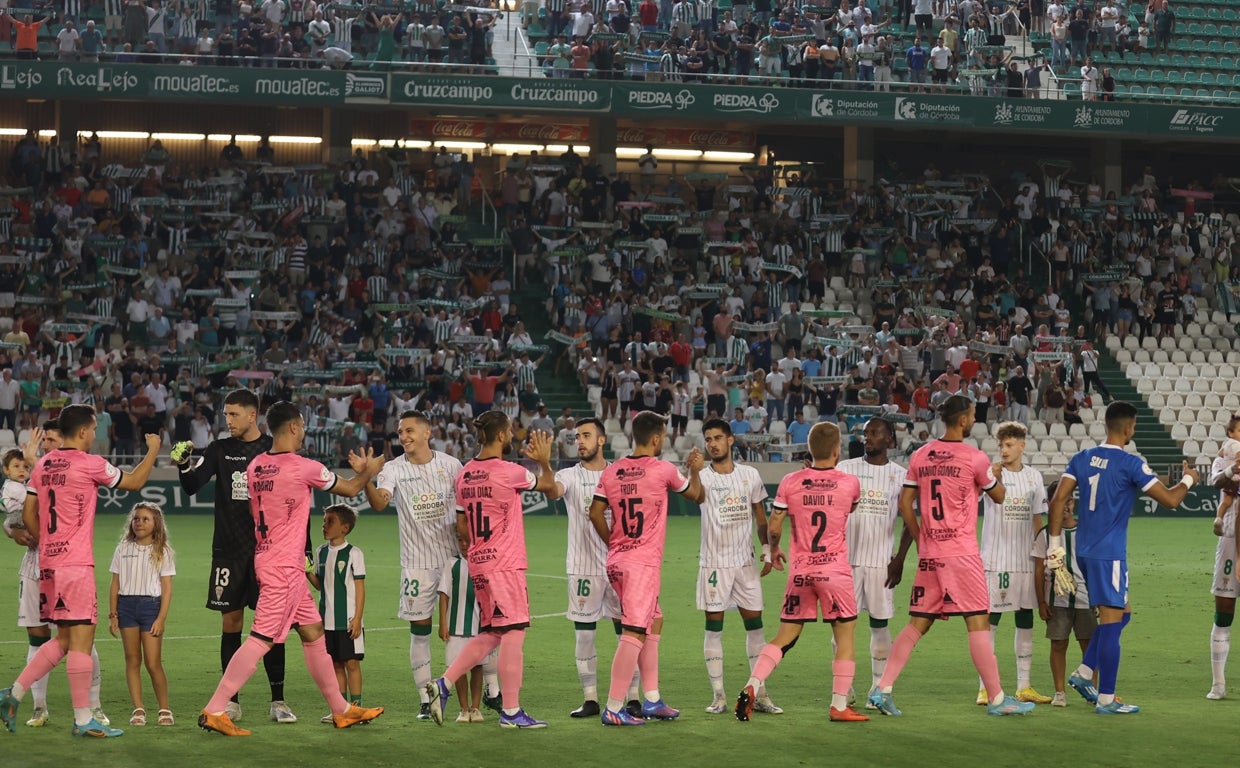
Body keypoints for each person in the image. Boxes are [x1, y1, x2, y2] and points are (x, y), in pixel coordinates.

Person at [197, 401, 385, 737]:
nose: (303, 433)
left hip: (273, 559)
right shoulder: (303, 467)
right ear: (295, 428)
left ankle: (341, 709)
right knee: (260, 640)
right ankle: (215, 707)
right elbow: (352, 489)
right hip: (284, 567)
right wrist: (370, 470)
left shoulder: (256, 466)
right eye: (302, 427)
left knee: (313, 635)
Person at [867, 395, 1035, 717]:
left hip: (931, 555)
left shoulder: (921, 455)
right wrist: (995, 475)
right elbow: (999, 497)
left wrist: (922, 540)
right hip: (961, 554)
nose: (974, 419)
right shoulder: (974, 458)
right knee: (978, 623)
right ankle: (998, 699)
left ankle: (883, 688)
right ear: (962, 420)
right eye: (972, 415)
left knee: (917, 624)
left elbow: (905, 505)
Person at [0, 404, 161, 738]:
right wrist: (153, 451)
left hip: (48, 563)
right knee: (81, 640)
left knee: (62, 639)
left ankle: (13, 695)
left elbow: (30, 512)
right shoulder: (90, 463)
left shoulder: (43, 464)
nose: (94, 435)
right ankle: (83, 717)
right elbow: (133, 482)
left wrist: (46, 542)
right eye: (93, 430)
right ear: (86, 431)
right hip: (75, 565)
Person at [1045, 400, 1201, 714]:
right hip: (1109, 556)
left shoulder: (1082, 457)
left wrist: (1053, 544)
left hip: (1086, 553)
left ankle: (1085, 671)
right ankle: (1106, 698)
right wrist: (1189, 480)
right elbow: (1170, 500)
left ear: (1107, 424)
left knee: (1123, 613)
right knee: (1114, 623)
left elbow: (1058, 499)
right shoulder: (1131, 464)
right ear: (1129, 428)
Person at [172, 389, 297, 725]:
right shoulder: (220, 449)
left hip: (267, 552)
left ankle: (278, 700)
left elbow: (292, 502)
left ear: (252, 415)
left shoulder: (272, 449)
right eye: (226, 415)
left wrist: (306, 550)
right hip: (228, 551)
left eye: (234, 415)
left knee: (271, 629)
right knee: (231, 624)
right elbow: (192, 485)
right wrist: (184, 464)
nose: (228, 421)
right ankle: (231, 702)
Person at [425, 412, 557, 729]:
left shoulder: (466, 475)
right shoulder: (509, 472)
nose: (511, 435)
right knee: (513, 632)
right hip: (505, 564)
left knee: (493, 633)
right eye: (509, 430)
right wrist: (545, 461)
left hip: (479, 562)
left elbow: (461, 524)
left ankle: (443, 684)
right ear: (500, 435)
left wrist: (478, 551)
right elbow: (551, 488)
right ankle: (511, 712)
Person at [735, 421, 869, 723]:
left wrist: (775, 547)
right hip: (834, 571)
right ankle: (838, 706)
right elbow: (850, 510)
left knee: (785, 636)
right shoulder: (850, 483)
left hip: (801, 572)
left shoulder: (791, 482)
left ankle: (752, 685)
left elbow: (774, 524)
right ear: (837, 451)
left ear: (809, 450)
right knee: (845, 636)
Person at [588, 410, 705, 726]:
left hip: (618, 561)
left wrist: (614, 543)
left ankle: (651, 699)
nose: (663, 441)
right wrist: (695, 471)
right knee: (634, 631)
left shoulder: (612, 472)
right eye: (664, 437)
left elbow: (595, 512)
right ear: (656, 439)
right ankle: (614, 707)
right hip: (641, 564)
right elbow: (697, 496)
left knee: (654, 620)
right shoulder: (663, 469)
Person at [363, 410, 468, 721]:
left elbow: (466, 509)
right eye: (400, 432)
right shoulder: (393, 469)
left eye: (409, 431)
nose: (404, 437)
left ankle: (484, 690)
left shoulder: (452, 466)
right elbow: (381, 502)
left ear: (427, 432)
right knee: (420, 633)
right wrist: (367, 477)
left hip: (454, 561)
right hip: (417, 565)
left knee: (462, 632)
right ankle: (426, 698)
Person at [545, 417, 640, 718]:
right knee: (584, 635)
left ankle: (634, 697)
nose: (580, 441)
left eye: (586, 435)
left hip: (619, 567)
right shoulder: (569, 475)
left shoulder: (620, 474)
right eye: (576, 437)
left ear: (601, 440)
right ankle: (590, 699)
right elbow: (553, 491)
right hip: (583, 567)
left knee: (627, 634)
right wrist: (544, 464)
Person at [697, 419, 780, 715]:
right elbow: (693, 495)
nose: (713, 443)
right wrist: (692, 473)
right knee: (714, 629)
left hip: (745, 563)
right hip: (714, 565)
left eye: (718, 437)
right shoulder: (702, 478)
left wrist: (768, 549)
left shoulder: (750, 475)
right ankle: (718, 695)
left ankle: (759, 693)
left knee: (756, 628)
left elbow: (761, 518)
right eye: (708, 439)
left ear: (731, 440)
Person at [837, 418, 912, 706]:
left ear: (890, 440)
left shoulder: (901, 476)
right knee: (841, 628)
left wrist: (901, 559)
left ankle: (877, 689)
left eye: (875, 433)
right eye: (866, 433)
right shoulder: (846, 469)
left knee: (879, 626)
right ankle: (844, 687)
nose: (868, 438)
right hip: (845, 562)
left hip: (882, 562)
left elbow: (908, 522)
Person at [976, 422, 1052, 705]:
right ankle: (985, 687)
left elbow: (1037, 517)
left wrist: (1044, 552)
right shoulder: (991, 475)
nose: (1004, 450)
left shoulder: (1034, 477)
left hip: (1024, 560)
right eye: (1001, 446)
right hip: (996, 560)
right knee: (989, 622)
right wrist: (991, 478)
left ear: (1022, 445)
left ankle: (1024, 686)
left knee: (1025, 618)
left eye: (1009, 445)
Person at [107, 502, 176, 727]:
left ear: (156, 523)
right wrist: (113, 614)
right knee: (132, 660)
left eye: (146, 519)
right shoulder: (122, 548)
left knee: (153, 662)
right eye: (136, 519)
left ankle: (164, 709)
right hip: (126, 608)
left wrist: (161, 618)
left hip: (150, 608)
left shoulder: (162, 551)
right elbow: (115, 583)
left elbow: (166, 589)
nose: (140, 523)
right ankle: (139, 709)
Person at [1032, 480, 1095, 707]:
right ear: (1050, 503)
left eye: (1068, 500)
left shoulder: (1085, 530)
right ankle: (1060, 692)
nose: (1065, 506)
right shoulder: (1045, 534)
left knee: (1089, 645)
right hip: (1056, 600)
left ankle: (1093, 690)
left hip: (1086, 598)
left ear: (1073, 501)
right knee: (1058, 644)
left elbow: (1093, 565)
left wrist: (1097, 596)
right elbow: (1039, 570)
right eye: (1060, 500)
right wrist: (1040, 601)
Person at [306, 504, 367, 722]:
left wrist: (358, 618)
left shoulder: (354, 554)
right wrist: (306, 571)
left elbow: (360, 588)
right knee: (336, 664)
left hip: (349, 619)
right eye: (324, 521)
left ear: (345, 527)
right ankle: (340, 710)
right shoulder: (321, 551)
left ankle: (356, 708)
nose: (324, 525)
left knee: (352, 663)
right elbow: (321, 585)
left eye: (330, 521)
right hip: (327, 621)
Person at [1208, 417, 1240, 700]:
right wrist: (1232, 468)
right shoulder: (1226, 456)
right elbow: (1214, 480)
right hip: (1230, 539)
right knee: (1224, 610)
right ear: (1231, 433)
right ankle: (1218, 684)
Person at [437, 552, 486, 723]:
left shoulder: (483, 561)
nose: (464, 544)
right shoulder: (452, 563)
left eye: (467, 540)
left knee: (477, 667)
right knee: (458, 669)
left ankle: (476, 708)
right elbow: (444, 594)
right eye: (460, 539)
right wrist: (442, 622)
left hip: (478, 625)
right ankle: (464, 709)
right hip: (455, 626)